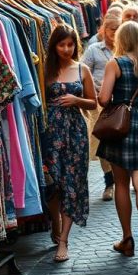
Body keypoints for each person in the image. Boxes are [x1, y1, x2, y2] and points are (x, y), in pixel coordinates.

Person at [97, 21, 138, 259]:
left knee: (121, 184)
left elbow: (103, 99)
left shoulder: (115, 63)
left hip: (119, 126)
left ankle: (127, 238)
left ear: (121, 40)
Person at [42, 25, 97, 262]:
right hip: (51, 132)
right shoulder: (45, 70)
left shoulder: (82, 69)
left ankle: (63, 240)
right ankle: (55, 221)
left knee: (72, 183)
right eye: (62, 44)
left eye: (70, 44)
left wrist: (77, 100)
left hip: (75, 133)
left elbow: (93, 103)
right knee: (53, 181)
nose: (67, 49)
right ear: (54, 46)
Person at [81, 14, 122, 200]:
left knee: (119, 143)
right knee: (102, 143)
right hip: (99, 104)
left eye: (117, 28)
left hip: (120, 104)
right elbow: (82, 72)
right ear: (103, 29)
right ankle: (109, 182)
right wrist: (95, 88)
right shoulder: (93, 50)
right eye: (111, 28)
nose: (114, 32)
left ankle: (122, 179)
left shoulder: (124, 50)